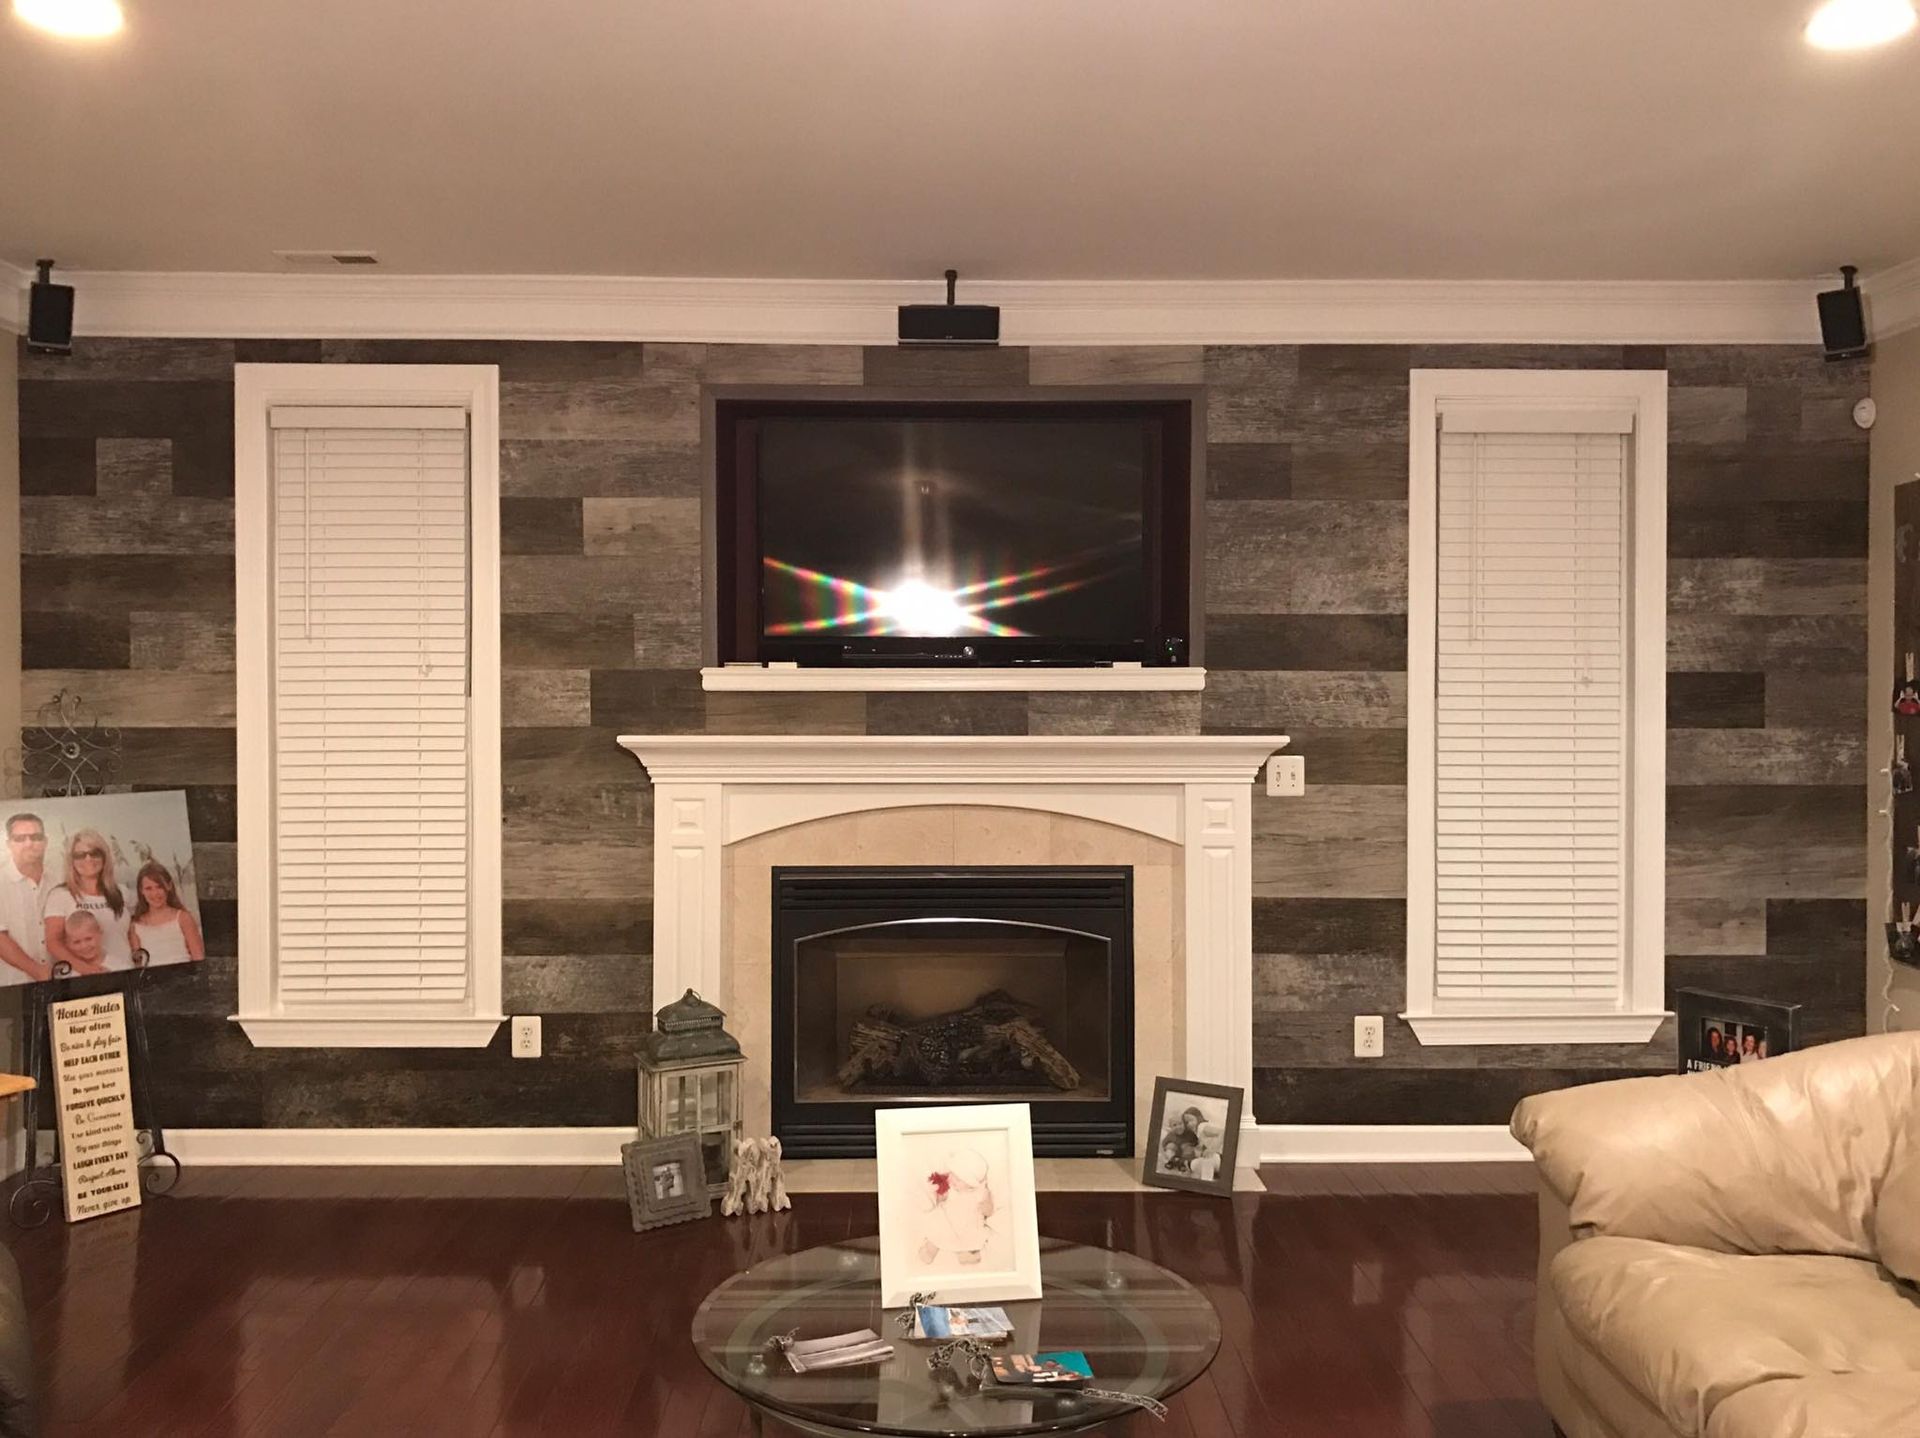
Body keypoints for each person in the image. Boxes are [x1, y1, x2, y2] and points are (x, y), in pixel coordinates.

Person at [43, 828, 134, 973]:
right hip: (83, 978)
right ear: (71, 861)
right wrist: (87, 970)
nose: (88, 859)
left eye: (95, 853)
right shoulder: (60, 895)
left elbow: (131, 934)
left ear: (104, 857)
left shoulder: (122, 892)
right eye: (80, 855)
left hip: (125, 972)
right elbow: (53, 943)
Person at [0, 813, 54, 984]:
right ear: (8, 844)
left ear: (45, 842)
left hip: (60, 981)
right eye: (20, 838)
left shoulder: (58, 880)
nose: (29, 843)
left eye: (35, 837)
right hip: (12, 985)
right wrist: (37, 971)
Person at [918, 1148, 995, 1267]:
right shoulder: (952, 1187)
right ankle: (929, 1251)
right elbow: (942, 1199)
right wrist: (939, 1191)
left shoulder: (981, 1193)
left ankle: (968, 1255)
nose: (952, 1180)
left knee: (971, 1241)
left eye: (958, 1179)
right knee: (937, 1231)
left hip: (968, 1224)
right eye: (952, 1175)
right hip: (948, 1219)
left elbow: (989, 1210)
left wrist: (985, 1207)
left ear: (970, 1184)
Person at [127, 861, 203, 968]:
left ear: (169, 886)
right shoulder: (135, 926)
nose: (155, 893)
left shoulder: (183, 918)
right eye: (148, 888)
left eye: (159, 887)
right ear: (141, 890)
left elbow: (198, 957)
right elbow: (138, 966)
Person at [59, 911, 108, 976]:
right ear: (67, 944)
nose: (84, 946)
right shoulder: (65, 974)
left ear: (100, 934)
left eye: (88, 939)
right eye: (77, 942)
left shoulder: (118, 965)